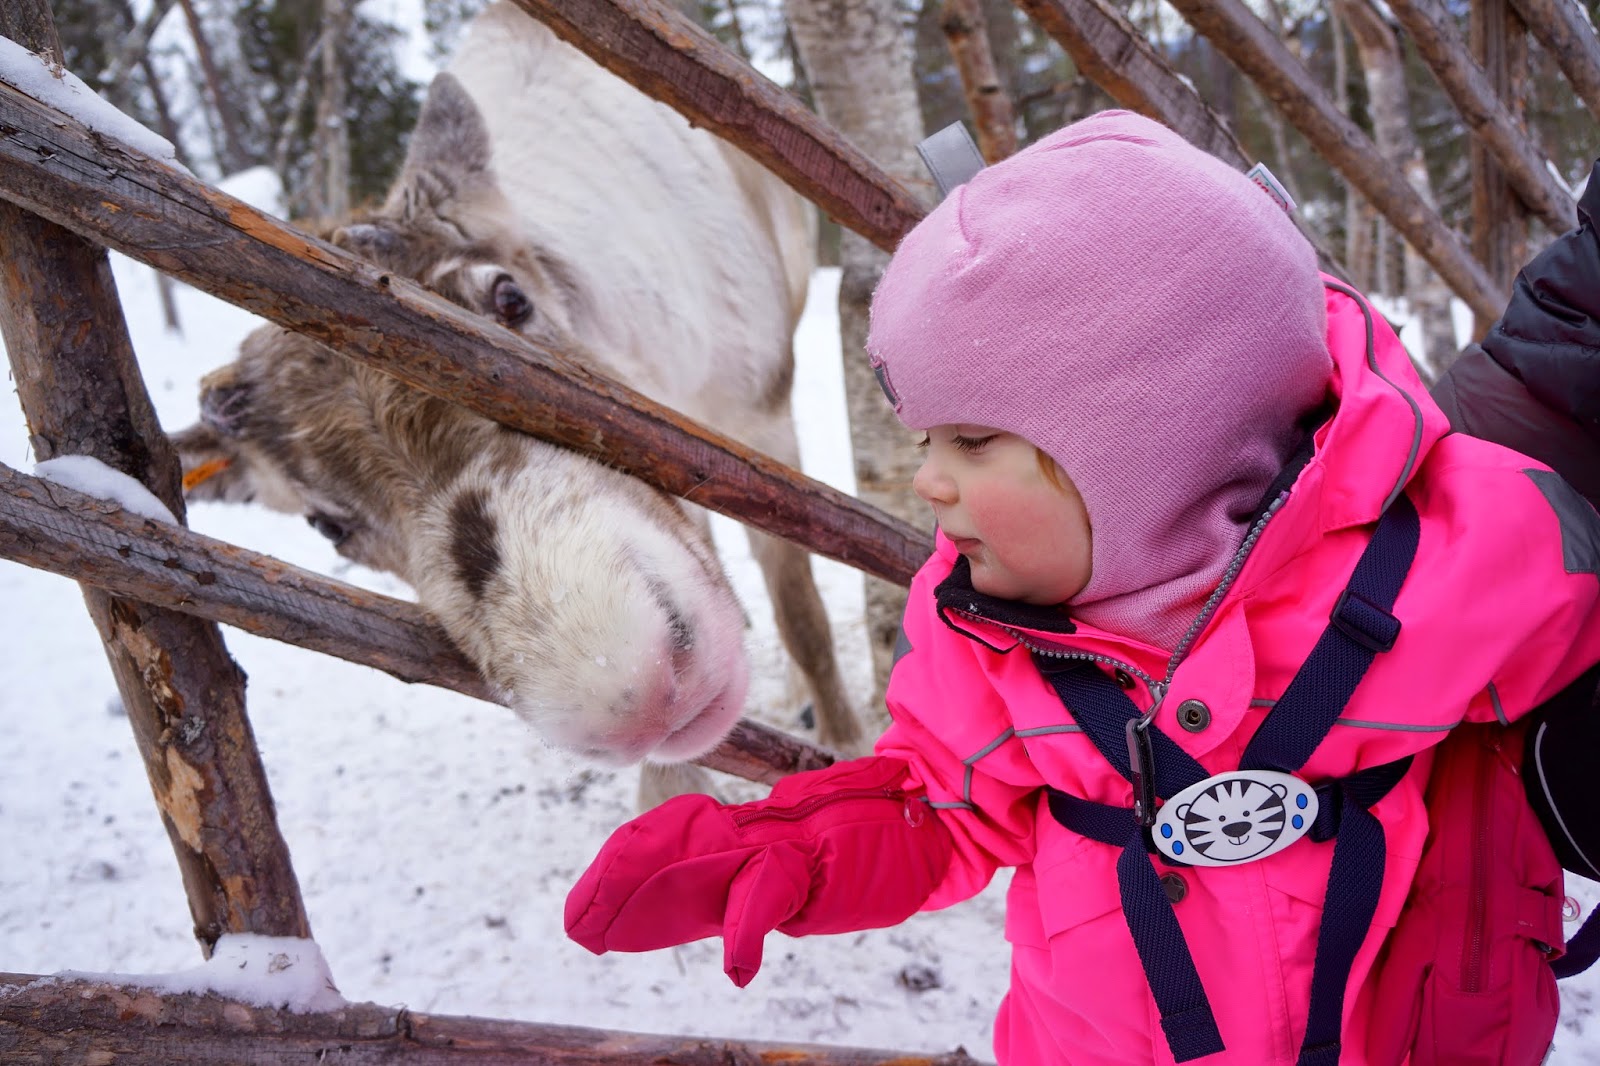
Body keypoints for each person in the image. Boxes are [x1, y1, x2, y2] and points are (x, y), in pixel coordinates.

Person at [563, 111, 1600, 1065]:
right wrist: (799, 851)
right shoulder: (984, 638)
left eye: (970, 439)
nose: (928, 480)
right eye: (926, 438)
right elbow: (939, 805)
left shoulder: (1461, 555)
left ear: (1156, 441)